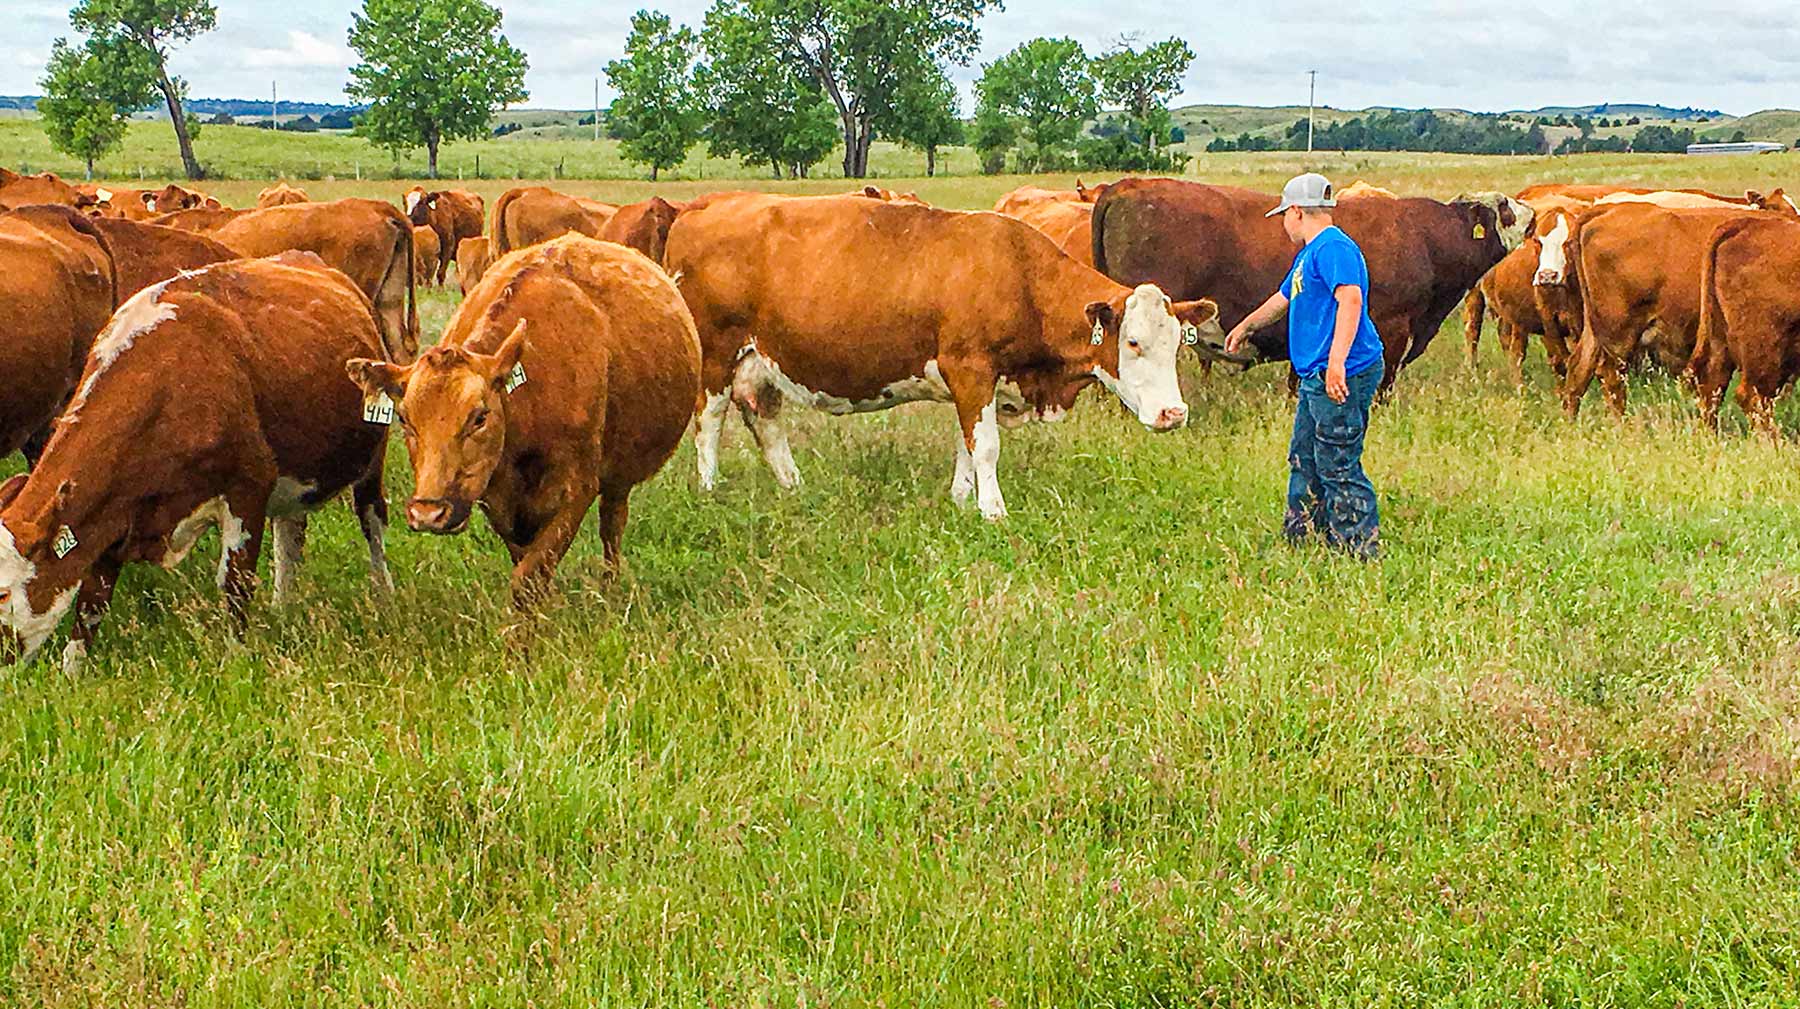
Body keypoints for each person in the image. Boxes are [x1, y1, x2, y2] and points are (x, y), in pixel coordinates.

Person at [1225, 173, 1385, 558]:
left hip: (1342, 371)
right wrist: (1246, 326)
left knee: (1337, 461)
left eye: (1284, 214)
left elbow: (1351, 301)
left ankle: (1359, 550)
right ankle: (1304, 536)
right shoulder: (1310, 253)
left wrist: (1336, 364)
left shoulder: (1333, 249)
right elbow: (1284, 298)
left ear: (1296, 211)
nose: (1282, 223)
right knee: (1304, 456)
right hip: (1316, 374)